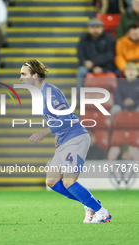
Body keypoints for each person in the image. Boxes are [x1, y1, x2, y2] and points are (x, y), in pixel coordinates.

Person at [20, 59, 111, 223]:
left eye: (23, 74)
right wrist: (57, 133)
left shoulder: (50, 93)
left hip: (76, 138)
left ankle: (102, 213)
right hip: (66, 138)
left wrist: (44, 132)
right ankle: (90, 204)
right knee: (52, 181)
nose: (20, 78)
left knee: (69, 181)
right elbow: (60, 117)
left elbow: (65, 119)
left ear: (34, 75)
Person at [76, 18, 116, 89]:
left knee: (119, 72)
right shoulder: (83, 39)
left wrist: (94, 63)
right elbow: (81, 55)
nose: (95, 30)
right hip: (89, 67)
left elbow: (110, 55)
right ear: (88, 28)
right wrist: (92, 66)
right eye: (92, 27)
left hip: (106, 67)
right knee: (81, 72)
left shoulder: (109, 39)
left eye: (97, 27)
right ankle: (81, 97)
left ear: (102, 28)